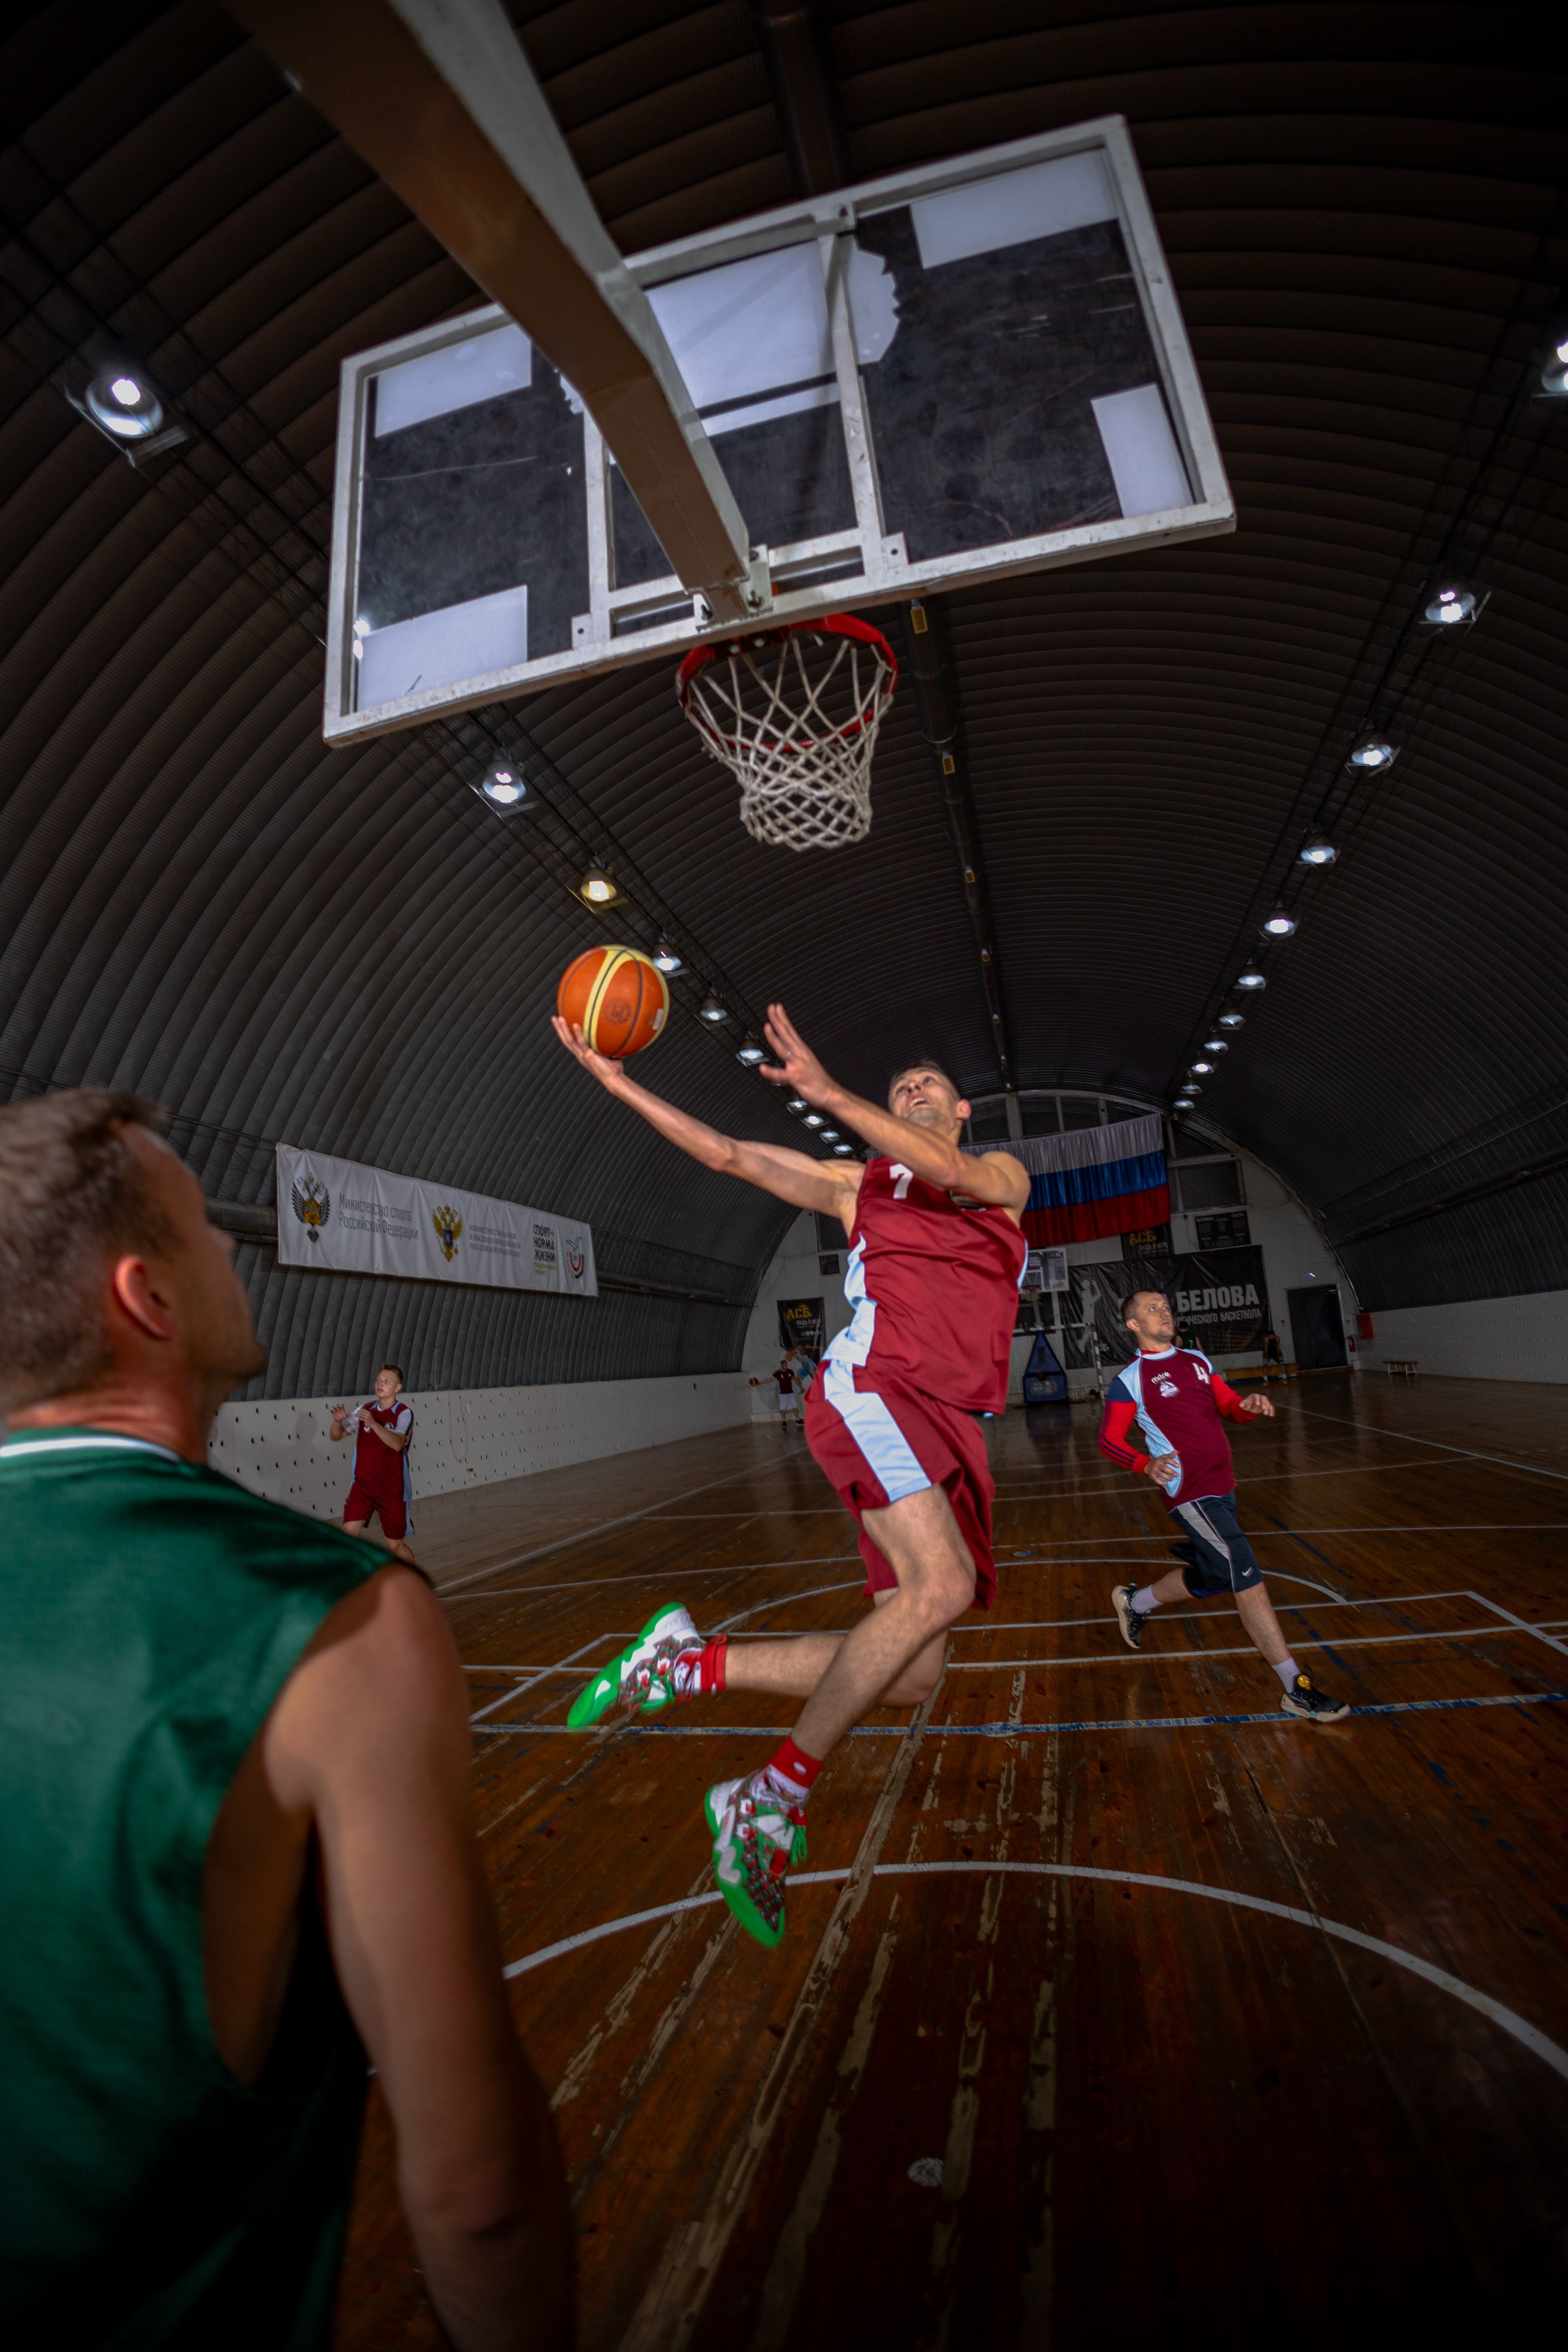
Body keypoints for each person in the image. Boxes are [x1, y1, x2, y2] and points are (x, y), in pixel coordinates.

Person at [0, 1092, 572, 2349]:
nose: (235, 1246)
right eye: (205, 1226)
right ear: (149, 1297)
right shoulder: (335, 1618)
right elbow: (478, 2196)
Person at [552, 1004, 1029, 1948]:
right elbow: (729, 1155)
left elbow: (952, 1172)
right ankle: (767, 1799)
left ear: (963, 1108)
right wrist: (621, 1086)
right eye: (901, 1086)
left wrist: (836, 1094)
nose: (914, 1089)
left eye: (929, 1084)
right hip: (874, 1387)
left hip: (951, 1420)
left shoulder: (1002, 1178)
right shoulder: (858, 1185)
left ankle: (684, 1664)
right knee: (942, 1586)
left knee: (912, 1671)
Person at [1099, 1288, 1350, 1722]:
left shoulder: (1197, 1360)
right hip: (1190, 1493)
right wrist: (1145, 1464)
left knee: (1217, 1576)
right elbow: (1108, 1439)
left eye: (1166, 1306)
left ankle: (1135, 1603)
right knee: (1246, 1576)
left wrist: (1248, 1406)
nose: (1164, 1312)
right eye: (1153, 1309)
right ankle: (1295, 1687)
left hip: (1223, 1486)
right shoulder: (1130, 1380)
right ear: (1133, 1325)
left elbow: (1229, 1406)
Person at [331, 1363, 416, 1562]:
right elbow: (336, 1436)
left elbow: (397, 1444)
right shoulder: (365, 1409)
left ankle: (414, 1577)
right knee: (347, 1538)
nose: (380, 1384)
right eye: (378, 1380)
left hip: (392, 1490)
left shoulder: (404, 1413)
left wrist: (373, 1424)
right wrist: (337, 1421)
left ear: (397, 1388)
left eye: (387, 1381)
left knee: (395, 1546)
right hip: (363, 1487)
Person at [772, 1354, 804, 1429]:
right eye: (785, 1364)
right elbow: (770, 1379)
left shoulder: (790, 1371)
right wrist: (761, 1383)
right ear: (782, 1365)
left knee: (794, 1406)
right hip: (782, 1394)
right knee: (782, 1408)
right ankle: (784, 1421)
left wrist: (801, 1387)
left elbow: (795, 1379)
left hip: (790, 1393)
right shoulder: (778, 1373)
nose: (786, 1366)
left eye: (787, 1364)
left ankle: (798, 1420)